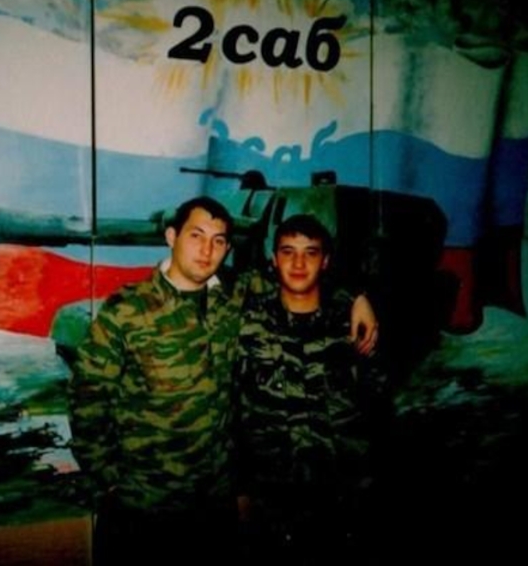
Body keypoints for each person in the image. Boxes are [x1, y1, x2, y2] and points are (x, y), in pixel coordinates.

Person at [67, 197, 378, 566]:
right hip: (143, 505)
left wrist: (357, 297)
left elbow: (300, 273)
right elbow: (87, 397)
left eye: (218, 240)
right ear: (171, 237)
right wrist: (109, 482)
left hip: (214, 503)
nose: (206, 250)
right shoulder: (127, 309)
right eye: (196, 235)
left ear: (228, 248)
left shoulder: (234, 293)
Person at [237, 213, 387, 564]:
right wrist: (241, 490)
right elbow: (234, 411)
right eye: (288, 252)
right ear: (274, 260)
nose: (299, 263)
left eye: (311, 252)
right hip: (271, 500)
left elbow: (379, 410)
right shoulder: (247, 323)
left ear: (326, 261)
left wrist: (358, 295)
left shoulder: (355, 328)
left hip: (344, 499)